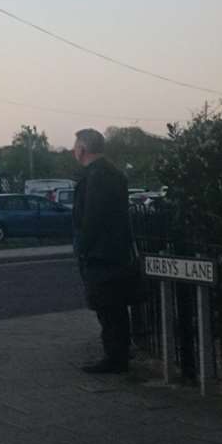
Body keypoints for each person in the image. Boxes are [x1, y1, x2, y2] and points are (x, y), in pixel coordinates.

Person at [72, 128, 139, 373]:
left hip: (102, 255)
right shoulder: (113, 173)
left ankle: (115, 357)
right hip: (115, 251)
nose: (73, 149)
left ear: (83, 148)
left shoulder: (96, 175)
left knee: (108, 308)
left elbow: (92, 217)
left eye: (76, 145)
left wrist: (83, 249)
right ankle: (119, 352)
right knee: (115, 308)